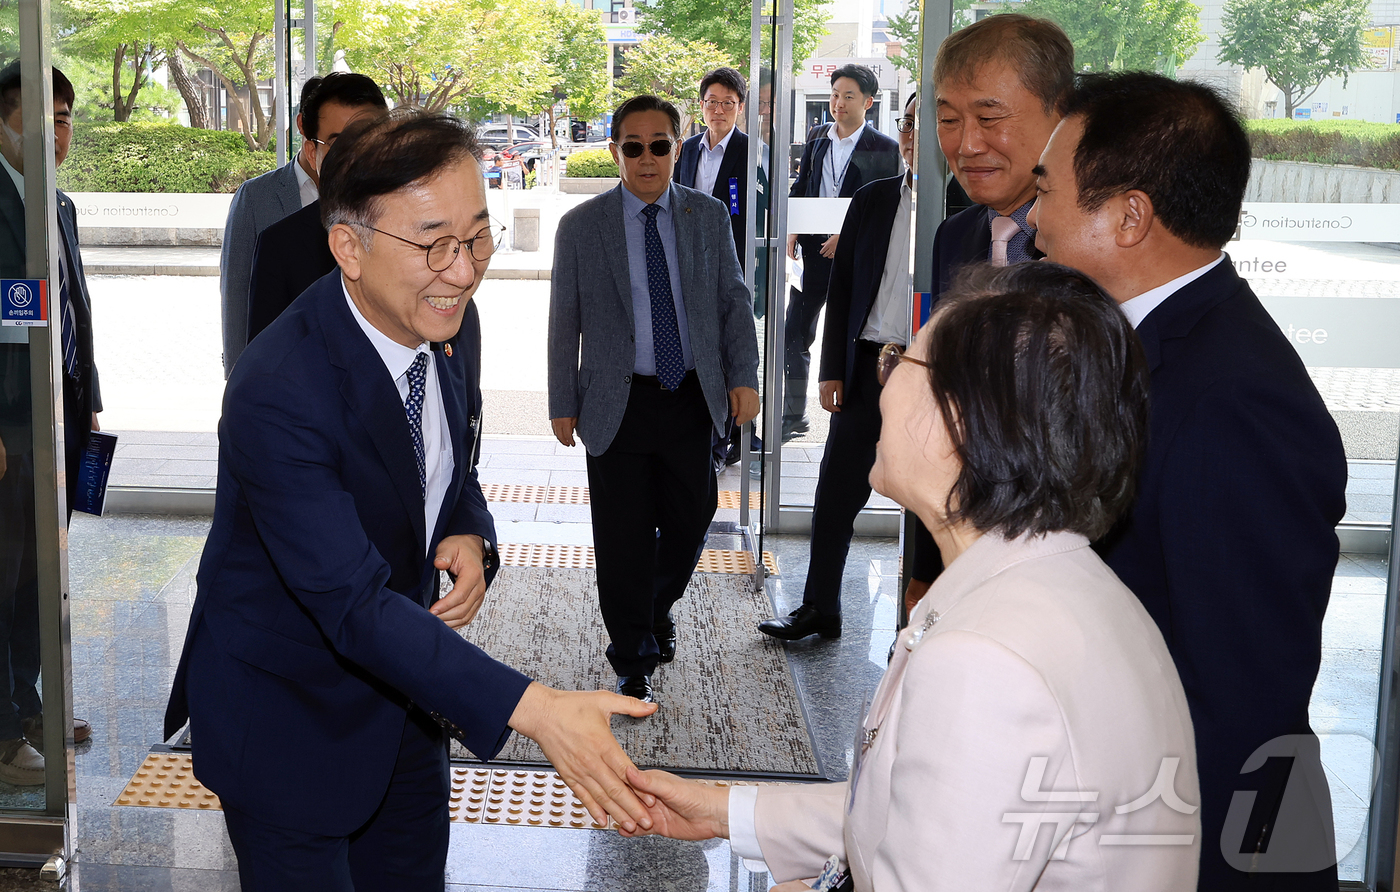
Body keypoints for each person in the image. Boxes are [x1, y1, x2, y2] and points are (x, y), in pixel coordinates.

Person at [163, 110, 660, 889]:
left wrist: (468, 529)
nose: (462, 271)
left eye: (477, 237)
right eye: (433, 244)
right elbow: (352, 603)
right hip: (290, 721)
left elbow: (451, 463)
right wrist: (530, 707)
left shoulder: (450, 324)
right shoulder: (277, 388)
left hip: (406, 708)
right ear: (348, 247)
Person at [627, 263, 1202, 891]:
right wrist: (728, 810)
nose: (886, 381)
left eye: (903, 361)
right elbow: (920, 812)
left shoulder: (985, 664)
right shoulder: (1065, 584)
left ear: (967, 421)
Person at [1029, 71, 1348, 890]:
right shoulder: (1151, 343)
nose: (1033, 222)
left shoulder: (1232, 399)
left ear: (1130, 215)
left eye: (1048, 189)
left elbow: (1242, 694)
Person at [547, 95, 760, 705]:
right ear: (615, 151)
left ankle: (651, 603)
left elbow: (732, 301)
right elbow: (566, 319)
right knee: (623, 535)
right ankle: (633, 653)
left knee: (693, 520)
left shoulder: (707, 215)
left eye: (659, 145)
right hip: (616, 404)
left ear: (678, 144)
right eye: (632, 147)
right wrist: (563, 398)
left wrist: (742, 375)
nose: (646, 158)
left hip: (692, 395)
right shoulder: (581, 227)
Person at [905, 13, 1071, 609]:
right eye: (948, 119)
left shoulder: (1093, 248)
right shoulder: (957, 235)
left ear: (1061, 113)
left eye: (990, 117)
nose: (965, 143)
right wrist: (927, 565)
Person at [758, 94, 917, 642]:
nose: (915, 133)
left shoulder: (960, 207)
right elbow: (844, 290)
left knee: (931, 498)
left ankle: (922, 623)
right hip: (870, 363)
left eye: (929, 123)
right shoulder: (873, 200)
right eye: (909, 123)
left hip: (929, 371)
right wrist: (832, 369)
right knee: (835, 494)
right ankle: (819, 607)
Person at [0, 62, 97, 784]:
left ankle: (30, 701)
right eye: (41, 117)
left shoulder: (56, 205)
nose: (56, 132)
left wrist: (86, 400)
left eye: (64, 118)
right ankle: (4, 733)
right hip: (5, 425)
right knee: (2, 576)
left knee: (38, 571)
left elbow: (70, 313)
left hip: (52, 415)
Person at [782, 64, 901, 441]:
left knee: (848, 335)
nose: (838, 103)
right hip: (813, 256)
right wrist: (793, 226)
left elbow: (881, 208)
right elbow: (802, 185)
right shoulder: (817, 137)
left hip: (852, 260)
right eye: (834, 95)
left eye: (848, 96)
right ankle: (793, 415)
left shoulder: (885, 148)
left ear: (867, 102)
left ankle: (851, 409)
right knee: (794, 334)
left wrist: (844, 236)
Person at [245, 73, 388, 343]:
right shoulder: (280, 246)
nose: (358, 154)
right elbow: (265, 358)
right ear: (313, 153)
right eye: (340, 143)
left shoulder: (427, 228)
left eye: (371, 137)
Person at [675, 66, 764, 474]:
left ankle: (729, 435)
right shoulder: (687, 149)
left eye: (728, 103)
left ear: (740, 108)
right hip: (686, 264)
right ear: (702, 105)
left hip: (731, 264)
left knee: (730, 346)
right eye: (712, 102)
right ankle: (703, 431)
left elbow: (758, 211)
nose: (719, 110)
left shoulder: (753, 151)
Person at [219, 76, 323, 377]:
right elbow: (236, 294)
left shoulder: (371, 199)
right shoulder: (255, 197)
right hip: (279, 370)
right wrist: (238, 379)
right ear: (303, 124)